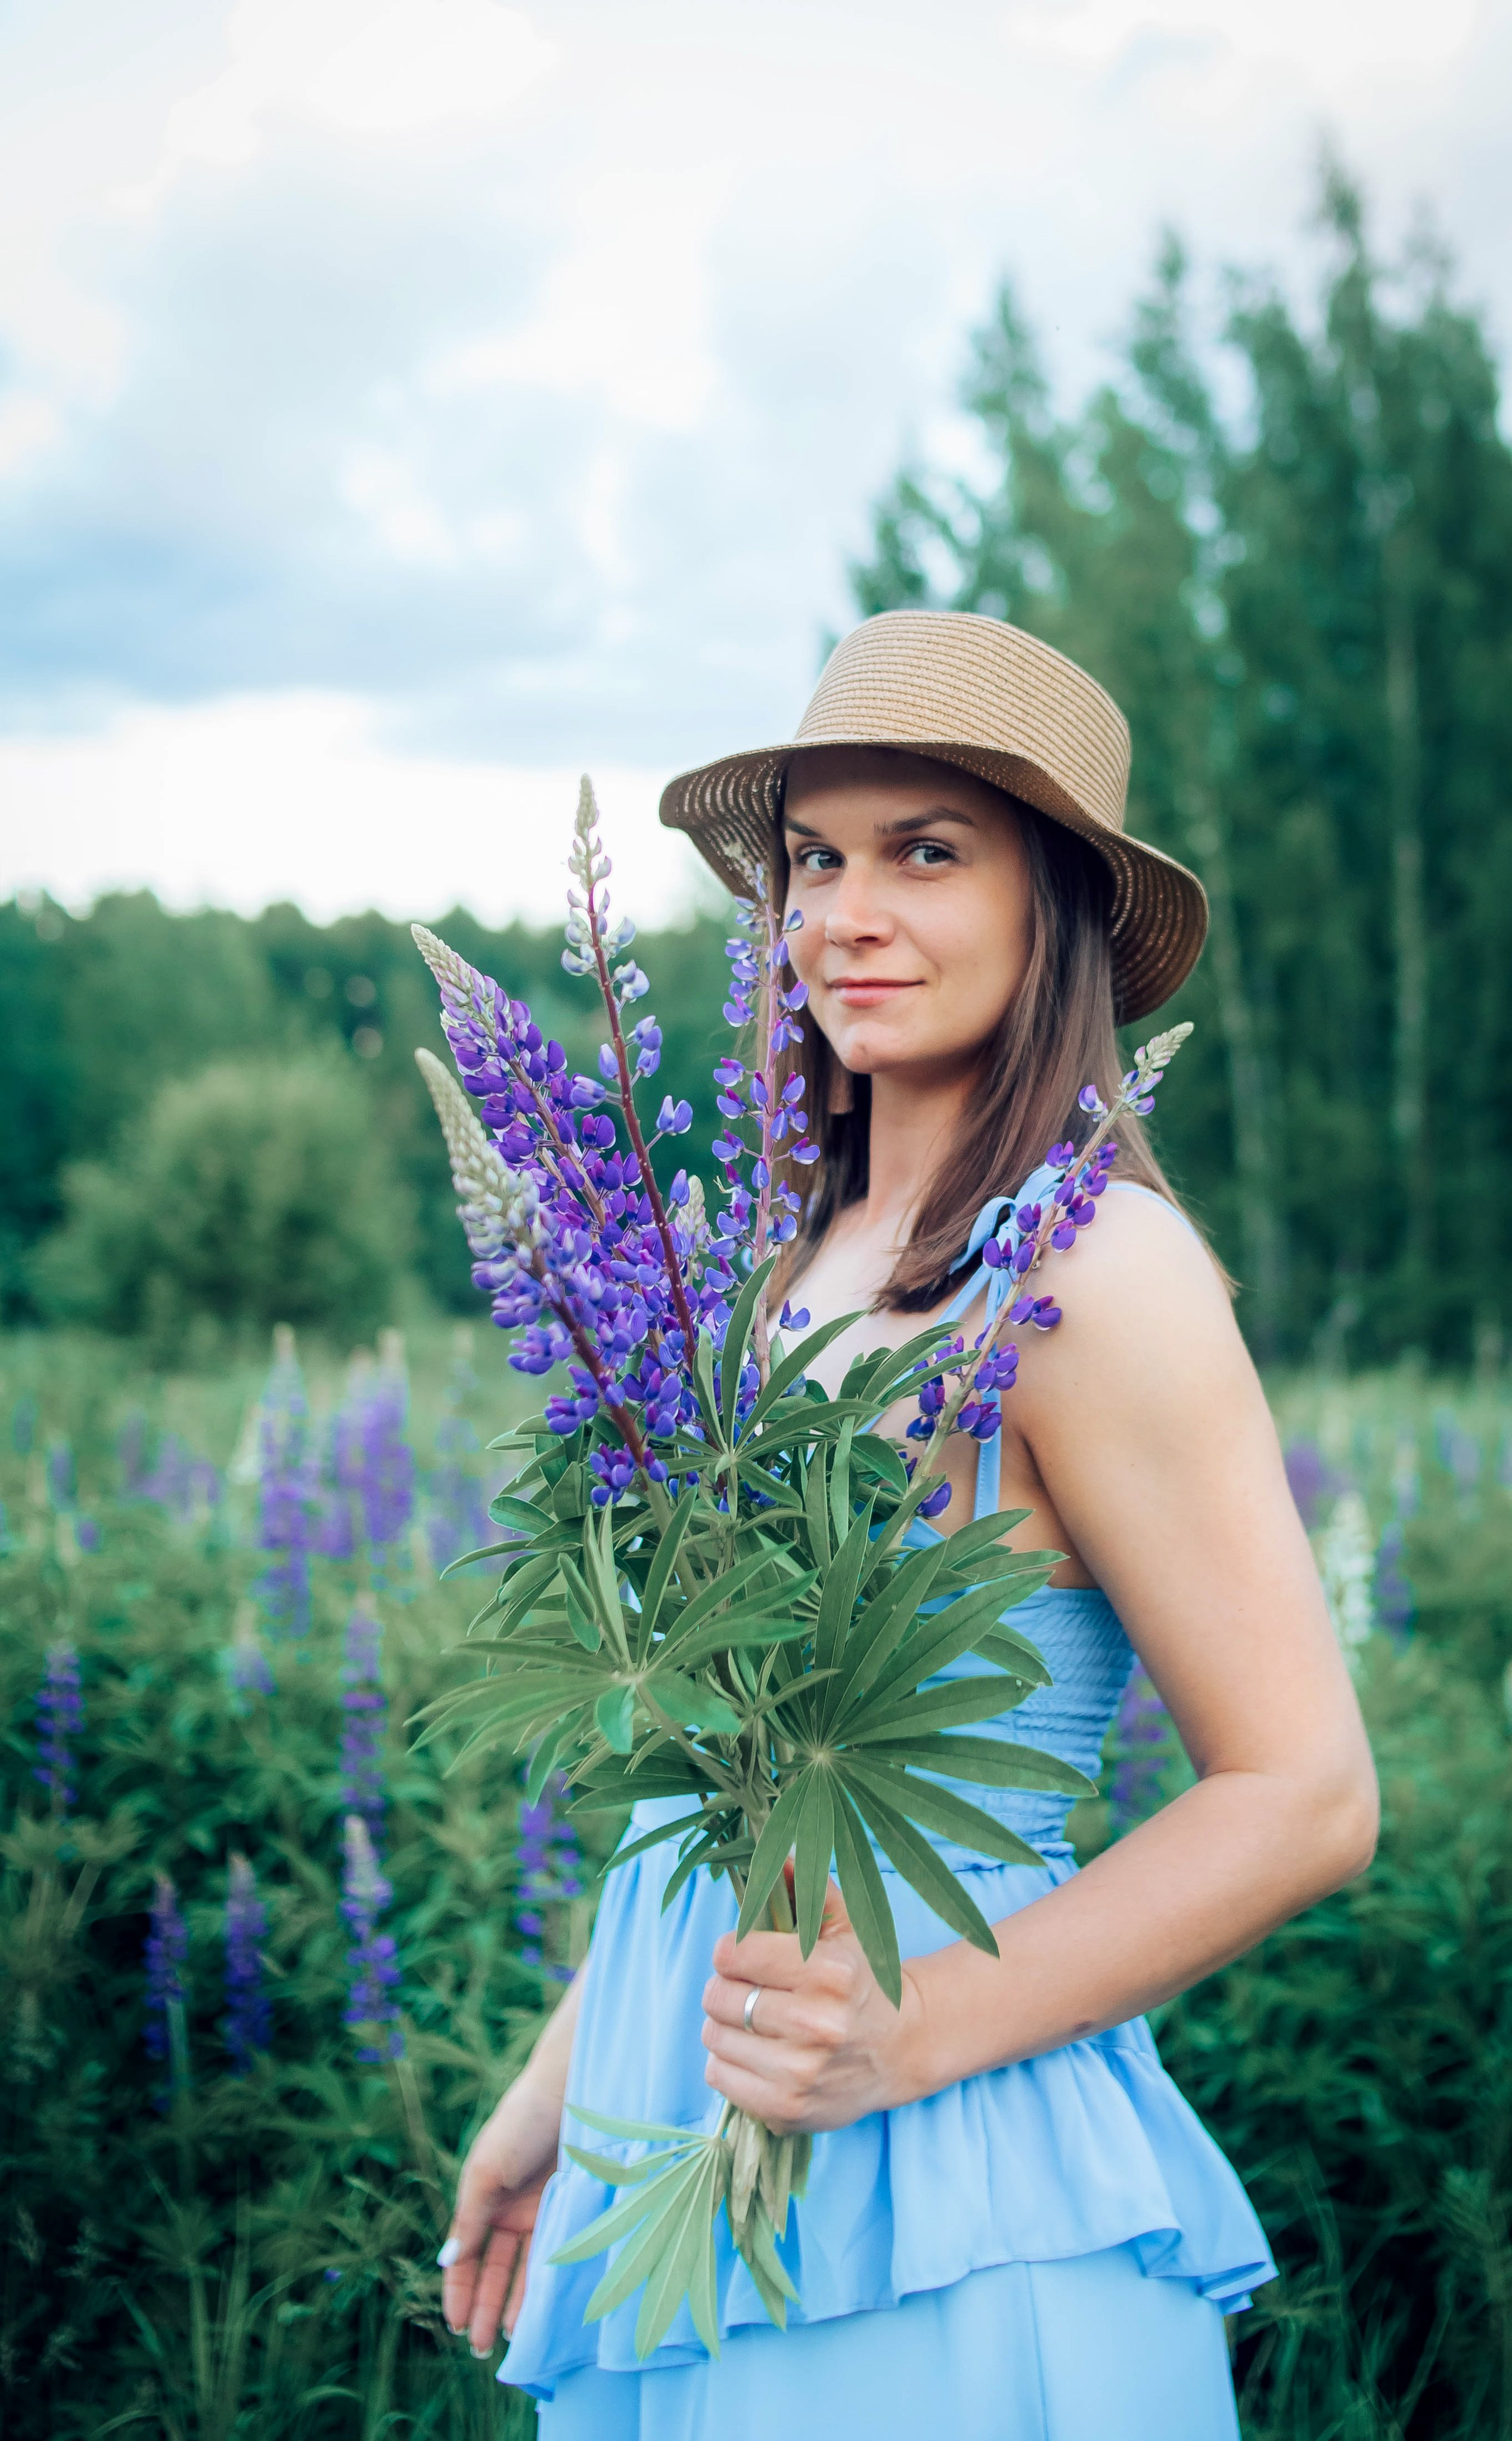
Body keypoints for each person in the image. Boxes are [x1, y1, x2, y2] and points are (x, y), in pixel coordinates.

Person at [437, 612, 1379, 2437]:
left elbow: (1308, 1795)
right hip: (681, 2139)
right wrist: (556, 2092)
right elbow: (729, 1799)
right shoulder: (778, 1274)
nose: (839, 916)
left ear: (1060, 909)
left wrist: (914, 2034)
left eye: (924, 853)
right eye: (812, 859)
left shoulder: (1098, 1269)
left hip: (943, 2171)